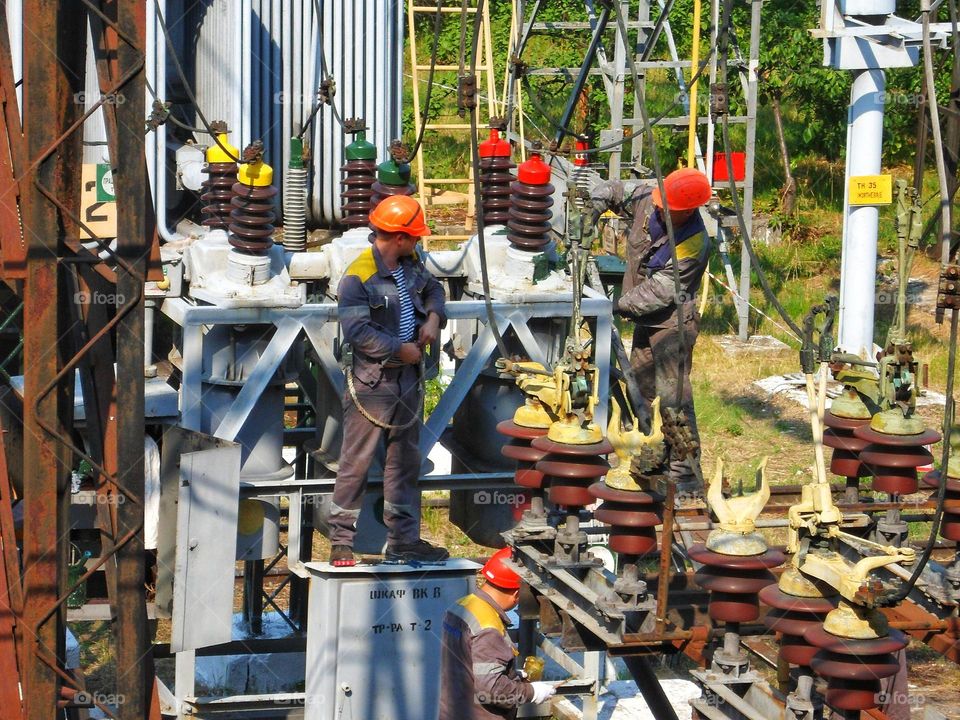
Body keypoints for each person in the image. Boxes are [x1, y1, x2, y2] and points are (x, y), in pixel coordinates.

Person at [329, 195, 449, 566]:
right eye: (414, 237)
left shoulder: (410, 266)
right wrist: (401, 349)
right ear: (398, 236)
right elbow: (357, 332)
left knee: (404, 462)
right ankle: (341, 541)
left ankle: (403, 540)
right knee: (356, 462)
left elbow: (434, 290)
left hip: (407, 382)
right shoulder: (358, 276)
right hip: (373, 384)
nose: (418, 243)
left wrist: (432, 317)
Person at [591, 168, 713, 492]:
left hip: (672, 325)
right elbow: (611, 190)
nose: (659, 208)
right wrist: (586, 214)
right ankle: (651, 460)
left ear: (686, 210)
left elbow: (660, 291)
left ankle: (685, 476)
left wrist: (616, 306)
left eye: (667, 207)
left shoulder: (694, 243)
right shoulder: (649, 197)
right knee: (641, 391)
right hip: (645, 321)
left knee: (672, 399)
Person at [440, 548, 556, 719]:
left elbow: (469, 663)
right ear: (517, 594)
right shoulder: (489, 627)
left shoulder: (460, 606)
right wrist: (532, 692)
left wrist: (510, 673)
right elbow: (491, 690)